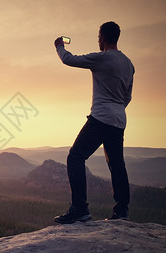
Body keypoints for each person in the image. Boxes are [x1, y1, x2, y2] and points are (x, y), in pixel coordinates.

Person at [53, 21, 135, 224]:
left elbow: (69, 60)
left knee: (75, 156)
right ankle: (121, 211)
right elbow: (128, 97)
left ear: (103, 37)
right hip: (119, 119)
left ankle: (80, 209)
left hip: (101, 116)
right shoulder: (128, 64)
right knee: (117, 164)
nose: (98, 40)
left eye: (98, 37)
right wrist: (117, 109)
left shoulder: (102, 58)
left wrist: (59, 46)